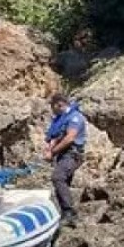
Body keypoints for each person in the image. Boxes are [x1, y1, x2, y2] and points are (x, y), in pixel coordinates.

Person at [44, 93, 87, 227]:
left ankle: (69, 213)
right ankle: (66, 214)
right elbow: (55, 137)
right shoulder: (61, 119)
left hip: (72, 154)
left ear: (59, 104)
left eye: (52, 107)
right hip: (63, 155)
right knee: (62, 184)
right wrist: (49, 150)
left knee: (58, 177)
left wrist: (53, 152)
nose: (52, 110)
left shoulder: (75, 117)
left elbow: (70, 138)